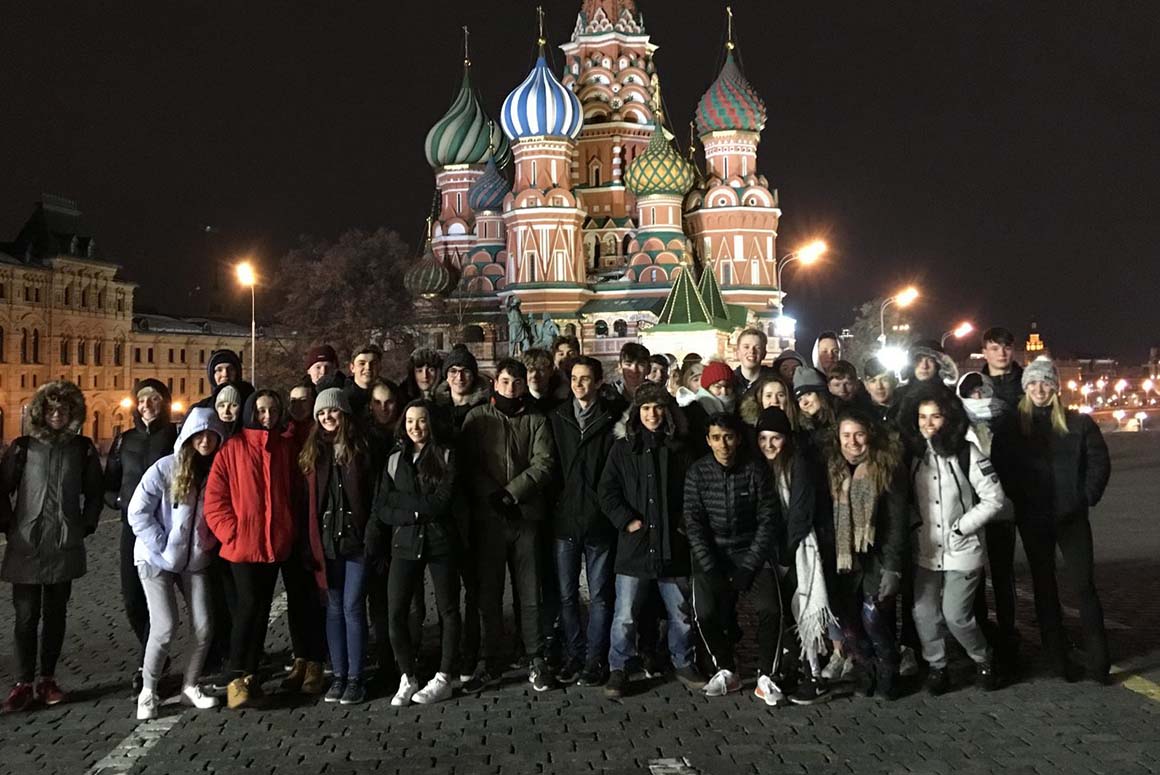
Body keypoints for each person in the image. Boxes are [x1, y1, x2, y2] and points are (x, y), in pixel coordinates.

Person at [993, 356, 1112, 683]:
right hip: (1033, 518)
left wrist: (1084, 497)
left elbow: (1099, 462)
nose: (1039, 389)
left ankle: (1099, 661)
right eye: (1032, 383)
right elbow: (1001, 467)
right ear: (1025, 388)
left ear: (1056, 387)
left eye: (1045, 382)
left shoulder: (1079, 423)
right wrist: (1021, 498)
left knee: (1084, 586)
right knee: (1044, 588)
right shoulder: (1013, 427)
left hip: (1071, 518)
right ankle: (1059, 661)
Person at [598, 383, 707, 699]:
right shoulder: (623, 448)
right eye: (646, 408)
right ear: (637, 412)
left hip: (672, 544)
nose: (652, 414)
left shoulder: (680, 448)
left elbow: (693, 491)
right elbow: (607, 491)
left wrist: (683, 525)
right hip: (635, 545)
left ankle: (683, 661)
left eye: (658, 408)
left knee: (681, 612)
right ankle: (619, 667)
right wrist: (626, 520)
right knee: (625, 614)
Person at [0, 381, 103, 712]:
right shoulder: (23, 447)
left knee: (56, 614)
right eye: (51, 408)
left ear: (73, 412)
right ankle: (22, 683)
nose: (57, 414)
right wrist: (7, 524)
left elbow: (95, 491)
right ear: (41, 412)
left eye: (64, 408)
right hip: (27, 544)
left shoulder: (82, 448)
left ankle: (47, 679)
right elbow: (2, 488)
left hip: (63, 543)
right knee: (26, 616)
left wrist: (86, 524)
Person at [898, 383, 1006, 694]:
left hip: (962, 548)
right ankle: (937, 666)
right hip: (926, 549)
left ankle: (983, 658)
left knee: (957, 615)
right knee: (924, 613)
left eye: (935, 416)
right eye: (922, 417)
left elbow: (994, 498)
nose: (928, 424)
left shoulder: (966, 453)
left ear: (948, 418)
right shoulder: (913, 456)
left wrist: (962, 527)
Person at [460, 358, 555, 692]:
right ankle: (492, 659)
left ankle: (535, 656)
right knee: (489, 594)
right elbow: (468, 464)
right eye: (504, 382)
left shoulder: (536, 419)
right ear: (495, 383)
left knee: (529, 592)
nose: (511, 388)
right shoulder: (478, 418)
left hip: (525, 516)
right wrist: (493, 494)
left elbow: (544, 463)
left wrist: (513, 493)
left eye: (517, 383)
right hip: (489, 518)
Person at [126, 407, 226, 719]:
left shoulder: (216, 472)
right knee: (165, 625)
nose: (205, 441)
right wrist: (162, 545)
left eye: (211, 435)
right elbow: (137, 512)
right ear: (189, 436)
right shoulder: (165, 467)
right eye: (200, 435)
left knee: (204, 625)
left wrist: (207, 544)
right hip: (154, 556)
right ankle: (148, 691)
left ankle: (190, 685)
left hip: (193, 558)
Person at [204, 390, 298, 709]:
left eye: (272, 410)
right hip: (242, 545)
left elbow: (292, 493)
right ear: (250, 412)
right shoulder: (233, 448)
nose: (267, 416)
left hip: (273, 543)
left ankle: (252, 673)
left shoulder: (284, 447)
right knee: (247, 608)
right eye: (261, 411)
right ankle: (236, 675)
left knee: (261, 611)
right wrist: (232, 532)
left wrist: (287, 528)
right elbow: (215, 500)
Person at [684, 413, 779, 699]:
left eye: (727, 437)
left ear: (737, 439)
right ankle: (725, 668)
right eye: (716, 438)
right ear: (708, 441)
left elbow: (767, 519)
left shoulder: (754, 470)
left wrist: (749, 566)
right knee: (704, 612)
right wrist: (711, 567)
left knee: (770, 609)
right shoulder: (698, 472)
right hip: (713, 552)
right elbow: (693, 523)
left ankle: (767, 675)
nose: (723, 444)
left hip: (749, 550)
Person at [375, 400, 461, 706]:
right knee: (396, 612)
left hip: (440, 541)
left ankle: (444, 676)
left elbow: (442, 502)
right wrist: (412, 514)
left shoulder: (447, 454)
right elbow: (383, 507)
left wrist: (404, 504)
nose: (415, 427)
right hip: (405, 542)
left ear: (431, 422)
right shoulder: (394, 458)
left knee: (448, 609)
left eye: (421, 420)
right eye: (410, 420)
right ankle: (407, 675)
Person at [821, 408, 909, 700]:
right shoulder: (832, 467)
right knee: (850, 622)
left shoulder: (887, 467)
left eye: (858, 434)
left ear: (869, 434)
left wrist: (893, 567)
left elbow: (896, 522)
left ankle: (888, 670)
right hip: (843, 559)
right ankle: (866, 669)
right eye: (846, 435)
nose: (852, 442)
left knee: (874, 617)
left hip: (877, 556)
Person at [548, 356, 622, 687]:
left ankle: (595, 658)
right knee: (566, 595)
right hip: (565, 519)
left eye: (586, 378)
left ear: (598, 382)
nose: (579, 384)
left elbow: (613, 472)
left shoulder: (611, 421)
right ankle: (574, 654)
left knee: (600, 594)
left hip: (598, 520)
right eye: (575, 378)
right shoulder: (558, 417)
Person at [300, 388, 375, 705]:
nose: (327, 417)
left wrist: (372, 535)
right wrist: (308, 544)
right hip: (326, 542)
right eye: (321, 413)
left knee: (352, 607)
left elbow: (371, 494)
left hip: (355, 540)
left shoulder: (361, 447)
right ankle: (339, 675)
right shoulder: (312, 452)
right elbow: (307, 502)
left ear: (343, 413)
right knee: (333, 609)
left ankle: (356, 677)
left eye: (332, 411)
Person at [104, 378, 178, 695]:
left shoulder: (175, 436)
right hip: (132, 530)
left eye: (154, 399)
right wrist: (121, 502)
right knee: (133, 599)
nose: (147, 405)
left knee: (164, 601)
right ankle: (156, 658)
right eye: (142, 399)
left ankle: (149, 667)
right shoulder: (125, 440)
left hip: (168, 529)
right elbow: (108, 484)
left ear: (164, 402)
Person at [755, 407, 832, 705]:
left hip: (798, 548)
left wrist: (786, 556)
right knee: (786, 612)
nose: (769, 445)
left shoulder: (798, 464)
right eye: (763, 438)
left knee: (802, 607)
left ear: (786, 438)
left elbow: (800, 512)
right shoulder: (760, 467)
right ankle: (797, 666)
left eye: (775, 438)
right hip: (773, 550)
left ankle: (815, 675)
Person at [959, 370, 1020, 676]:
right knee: (975, 577)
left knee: (1003, 575)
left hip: (1004, 510)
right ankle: (982, 632)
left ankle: (1009, 634)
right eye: (972, 391)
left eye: (982, 389)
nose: (978, 395)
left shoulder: (1006, 421)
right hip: (971, 513)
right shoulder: (959, 425)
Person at [677, 360, 737, 458]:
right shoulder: (692, 412)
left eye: (727, 386)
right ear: (707, 388)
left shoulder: (738, 409)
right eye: (718, 387)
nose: (724, 392)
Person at [434, 346, 493, 433]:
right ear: (446, 377)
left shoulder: (486, 410)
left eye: (465, 371)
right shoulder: (436, 408)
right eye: (453, 371)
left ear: (473, 376)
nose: (459, 378)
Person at [980, 327, 1023, 409]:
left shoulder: (1028, 384)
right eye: (995, 349)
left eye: (1007, 348)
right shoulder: (976, 386)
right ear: (984, 353)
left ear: (1013, 351)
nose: (1002, 353)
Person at [523, 347, 566, 414]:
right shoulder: (519, 402)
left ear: (551, 371)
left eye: (541, 370)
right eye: (530, 370)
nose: (535, 375)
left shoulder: (562, 399)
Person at [344, 344, 383, 416]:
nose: (368, 367)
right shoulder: (343, 398)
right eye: (362, 363)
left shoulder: (391, 393)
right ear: (352, 368)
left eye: (373, 363)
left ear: (380, 366)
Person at [734, 328, 775, 393]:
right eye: (746, 347)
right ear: (737, 353)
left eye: (757, 348)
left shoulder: (775, 381)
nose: (752, 351)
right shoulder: (730, 381)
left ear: (764, 354)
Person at [862, 357, 898, 425]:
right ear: (866, 385)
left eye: (884, 379)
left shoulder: (908, 410)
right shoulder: (860, 415)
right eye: (873, 381)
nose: (879, 386)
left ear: (895, 381)